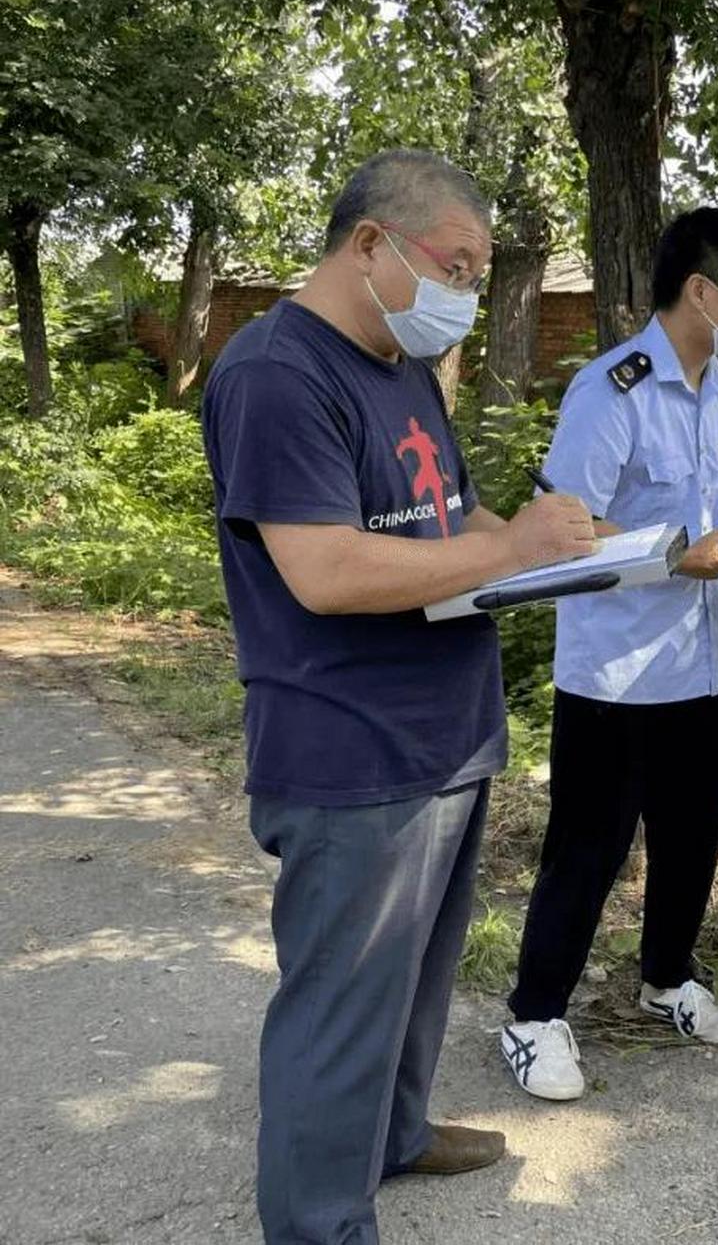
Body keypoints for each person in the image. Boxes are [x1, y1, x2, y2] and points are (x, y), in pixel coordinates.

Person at [201, 150, 598, 1244]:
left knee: (416, 976)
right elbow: (324, 569)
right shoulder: (277, 372)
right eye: (456, 266)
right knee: (340, 1005)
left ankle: (395, 1132)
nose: (466, 292)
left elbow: (452, 518)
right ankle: (320, 1220)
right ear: (370, 243)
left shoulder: (401, 365)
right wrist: (510, 548)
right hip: (350, 749)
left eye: (475, 272)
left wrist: (567, 548)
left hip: (445, 735)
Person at [500, 207, 718, 1100]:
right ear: (700, 291)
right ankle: (533, 1017)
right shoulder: (612, 391)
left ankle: (666, 979)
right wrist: (673, 557)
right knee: (587, 847)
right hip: (617, 672)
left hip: (703, 665)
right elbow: (564, 526)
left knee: (692, 834)